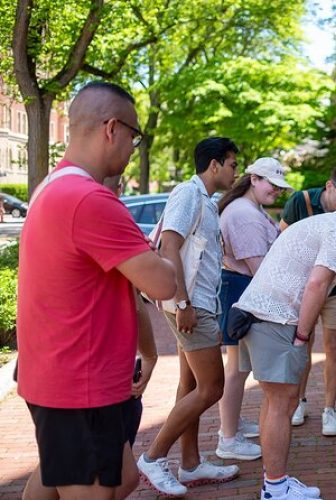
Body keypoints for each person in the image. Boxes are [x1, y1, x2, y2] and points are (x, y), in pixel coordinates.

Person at [16, 81, 177, 500]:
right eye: (134, 135)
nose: (133, 146)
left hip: (60, 376)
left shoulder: (53, 186)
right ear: (112, 129)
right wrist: (166, 247)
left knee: (116, 478)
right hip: (79, 386)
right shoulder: (90, 199)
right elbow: (163, 283)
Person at [233, 195, 336, 500]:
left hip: (257, 313)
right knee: (283, 403)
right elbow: (317, 284)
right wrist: (303, 336)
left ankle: (274, 481)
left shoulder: (325, 222)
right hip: (275, 318)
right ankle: (275, 489)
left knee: (276, 401)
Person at [137, 137, 240, 496]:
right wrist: (182, 304)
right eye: (232, 164)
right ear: (214, 165)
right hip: (191, 307)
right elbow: (169, 245)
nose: (235, 171)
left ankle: (191, 464)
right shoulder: (188, 194)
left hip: (198, 304)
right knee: (213, 387)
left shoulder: (207, 202)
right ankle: (153, 457)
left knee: (192, 386)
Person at [279, 165, 336, 436]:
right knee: (302, 342)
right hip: (304, 287)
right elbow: (283, 239)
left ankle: (330, 409)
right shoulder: (301, 202)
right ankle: (299, 401)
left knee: (333, 344)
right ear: (329, 186)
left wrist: (334, 271)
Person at [215, 157, 292, 461]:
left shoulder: (247, 209)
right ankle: (228, 437)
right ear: (255, 179)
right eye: (272, 185)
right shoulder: (244, 215)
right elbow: (259, 267)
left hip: (242, 286)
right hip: (243, 288)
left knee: (238, 367)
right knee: (237, 368)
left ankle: (231, 426)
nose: (277, 191)